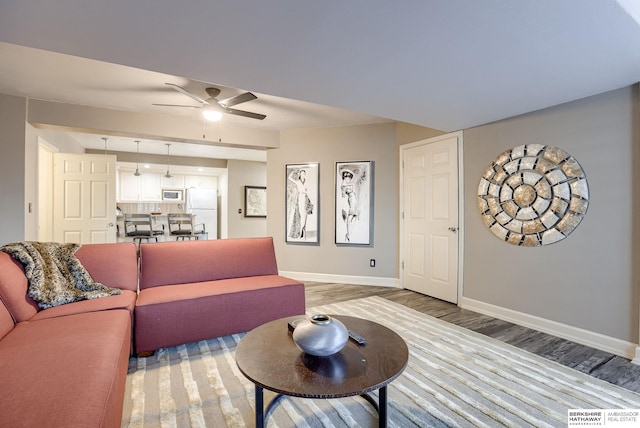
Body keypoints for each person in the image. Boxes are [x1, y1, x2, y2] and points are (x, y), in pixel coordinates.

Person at [287, 168, 312, 239]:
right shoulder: (298, 182)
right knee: (301, 214)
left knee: (305, 214)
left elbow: (308, 190)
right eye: (302, 173)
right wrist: (293, 171)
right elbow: (289, 178)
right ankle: (301, 231)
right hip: (300, 198)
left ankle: (303, 229)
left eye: (304, 173)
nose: (303, 174)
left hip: (305, 197)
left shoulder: (307, 182)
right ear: (300, 174)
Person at [340, 169, 358, 242]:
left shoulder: (350, 184)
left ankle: (348, 234)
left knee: (354, 216)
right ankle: (348, 234)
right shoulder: (343, 184)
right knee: (350, 217)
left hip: (353, 200)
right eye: (346, 176)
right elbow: (343, 194)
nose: (348, 178)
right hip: (350, 200)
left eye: (349, 176)